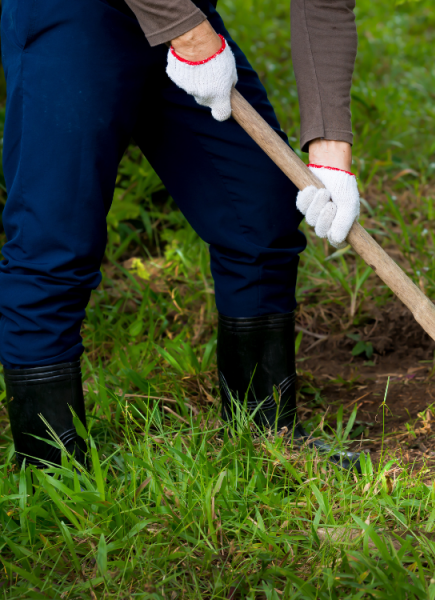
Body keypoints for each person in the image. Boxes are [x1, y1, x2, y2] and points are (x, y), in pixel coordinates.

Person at [0, 0, 362, 469]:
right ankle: (54, 473)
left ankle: (266, 434)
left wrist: (331, 152)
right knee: (54, 237)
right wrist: (190, 35)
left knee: (260, 209)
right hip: (74, 15)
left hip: (184, 13)